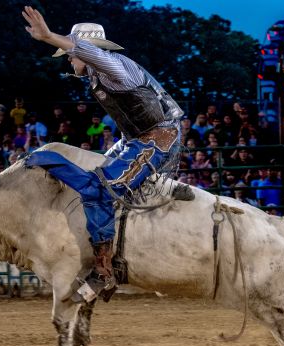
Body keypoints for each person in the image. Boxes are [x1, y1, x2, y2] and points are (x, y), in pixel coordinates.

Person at [22, 6, 183, 301]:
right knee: (100, 175)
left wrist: (48, 36)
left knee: (102, 189)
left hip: (158, 137)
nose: (69, 60)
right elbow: (131, 118)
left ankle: (105, 272)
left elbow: (92, 54)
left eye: (71, 54)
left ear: (85, 51)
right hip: (139, 138)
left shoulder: (113, 66)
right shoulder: (100, 76)